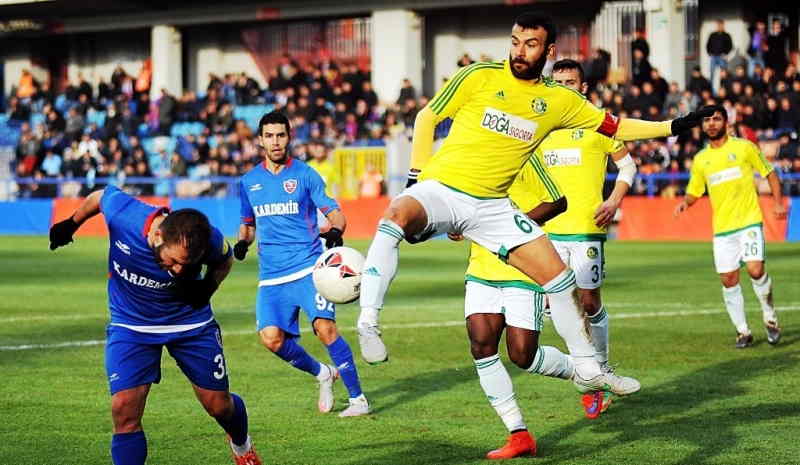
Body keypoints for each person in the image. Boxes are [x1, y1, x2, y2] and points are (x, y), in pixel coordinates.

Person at [355, 12, 712, 402]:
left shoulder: (559, 101)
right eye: (515, 41)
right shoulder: (479, 75)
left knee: (558, 278)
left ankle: (588, 369)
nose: (519, 51)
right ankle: (369, 320)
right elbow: (427, 118)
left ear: (549, 50)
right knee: (393, 219)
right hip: (445, 187)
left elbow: (614, 125)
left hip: (492, 206)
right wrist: (415, 182)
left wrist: (672, 126)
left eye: (530, 44)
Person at [48, 191, 261, 465]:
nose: (176, 271)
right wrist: (71, 223)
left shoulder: (206, 238)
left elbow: (225, 259)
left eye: (184, 265)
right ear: (158, 236)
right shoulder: (125, 214)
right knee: (124, 412)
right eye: (172, 261)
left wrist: (206, 289)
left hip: (190, 323)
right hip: (131, 324)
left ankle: (242, 447)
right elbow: (99, 197)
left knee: (219, 406)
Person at [234, 111, 369, 417]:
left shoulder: (306, 175)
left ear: (289, 137)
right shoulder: (248, 182)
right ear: (260, 141)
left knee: (325, 328)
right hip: (271, 277)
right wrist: (243, 242)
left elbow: (335, 213)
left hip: (308, 268)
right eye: (269, 136)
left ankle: (358, 399)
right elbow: (247, 225)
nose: (275, 141)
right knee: (271, 340)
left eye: (280, 135)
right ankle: (323, 373)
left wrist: (336, 231)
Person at [538, 58, 637, 411]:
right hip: (546, 230)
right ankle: (589, 371)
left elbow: (628, 165)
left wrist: (613, 200)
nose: (565, 85)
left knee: (590, 303)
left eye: (571, 81)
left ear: (583, 87)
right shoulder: (540, 127)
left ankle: (601, 369)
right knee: (554, 306)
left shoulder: (600, 124)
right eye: (558, 81)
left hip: (585, 230)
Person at [674, 105, 785, 348]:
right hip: (722, 229)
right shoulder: (701, 159)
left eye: (716, 119)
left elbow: (770, 173)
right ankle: (742, 331)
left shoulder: (744, 147)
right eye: (707, 120)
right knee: (728, 279)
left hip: (749, 222)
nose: (711, 124)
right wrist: (685, 202)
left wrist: (778, 203)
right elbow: (695, 190)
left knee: (756, 270)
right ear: (702, 126)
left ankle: (770, 317)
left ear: (726, 122)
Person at [707, 20, 733, 92]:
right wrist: (709, 53)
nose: (719, 27)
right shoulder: (712, 35)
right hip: (714, 57)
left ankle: (723, 90)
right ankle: (712, 91)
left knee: (723, 75)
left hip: (722, 57)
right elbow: (708, 44)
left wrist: (725, 54)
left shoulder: (726, 35)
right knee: (712, 74)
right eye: (718, 25)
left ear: (723, 25)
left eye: (721, 25)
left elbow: (730, 46)